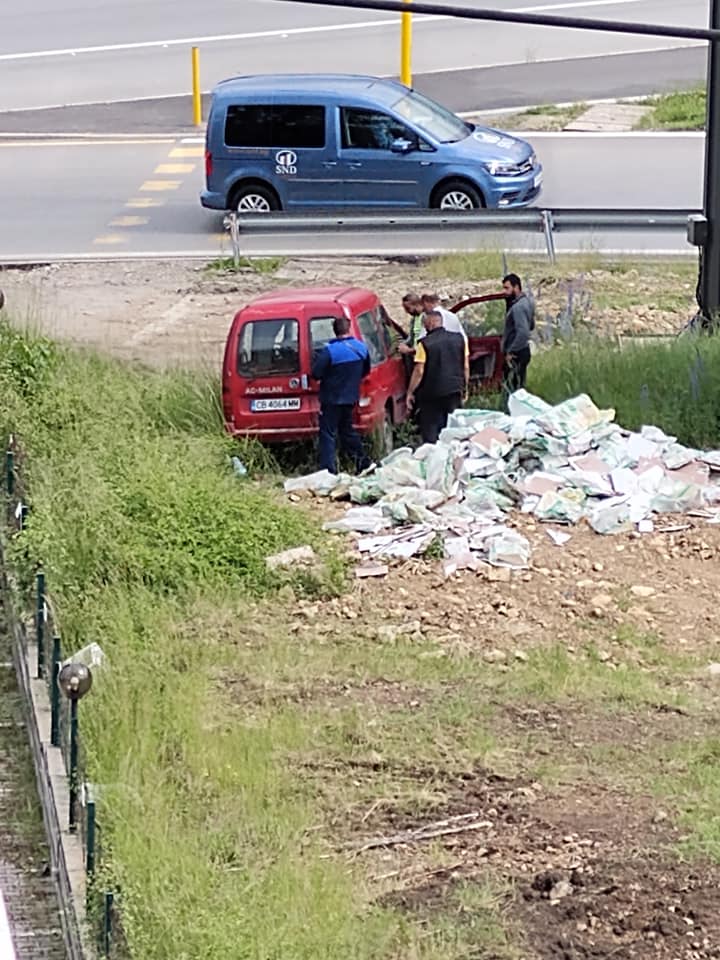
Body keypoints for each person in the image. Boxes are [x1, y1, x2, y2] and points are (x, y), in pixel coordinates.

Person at [311, 316, 372, 474]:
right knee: (347, 430)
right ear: (349, 328)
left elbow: (316, 373)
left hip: (331, 399)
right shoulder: (361, 348)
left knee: (328, 433)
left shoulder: (330, 351)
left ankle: (328, 470)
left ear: (334, 330)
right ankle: (362, 462)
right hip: (351, 397)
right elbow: (366, 371)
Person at [406, 310, 469, 444]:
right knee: (454, 427)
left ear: (431, 323)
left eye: (425, 323)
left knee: (431, 429)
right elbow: (466, 366)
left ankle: (434, 455)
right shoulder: (459, 339)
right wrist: (464, 387)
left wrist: (410, 392)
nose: (424, 326)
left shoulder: (424, 344)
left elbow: (419, 371)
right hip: (454, 389)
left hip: (431, 394)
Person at [501, 273, 535, 400]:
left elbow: (523, 332)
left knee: (512, 390)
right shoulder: (528, 302)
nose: (504, 292)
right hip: (523, 350)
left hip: (516, 354)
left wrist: (511, 351)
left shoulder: (517, 308)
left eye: (507, 288)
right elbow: (531, 325)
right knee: (519, 386)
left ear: (516, 287)